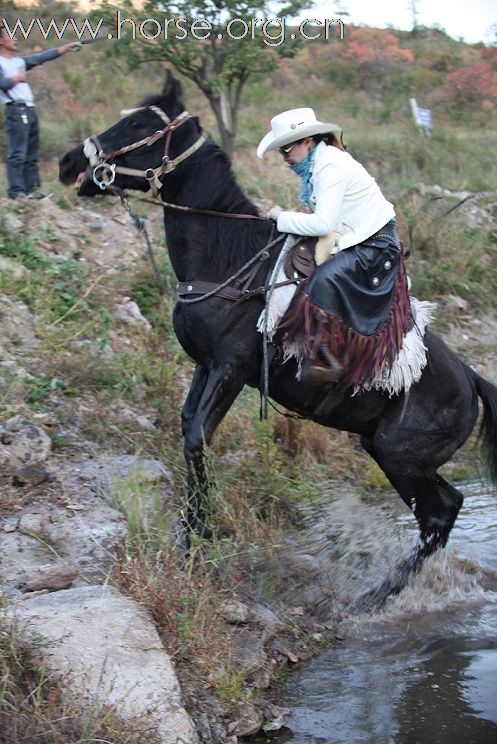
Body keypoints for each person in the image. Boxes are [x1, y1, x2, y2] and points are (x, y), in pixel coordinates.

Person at [257, 107, 410, 387]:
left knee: (323, 280)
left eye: (287, 150)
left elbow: (323, 224)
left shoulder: (330, 166)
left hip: (375, 245)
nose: (286, 159)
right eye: (282, 152)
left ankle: (325, 360)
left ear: (308, 141)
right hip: (357, 238)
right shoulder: (319, 164)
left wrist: (281, 217)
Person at [0, 22, 80, 199]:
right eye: (10, 35)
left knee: (32, 153)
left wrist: (65, 48)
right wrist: (16, 79)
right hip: (15, 110)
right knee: (17, 153)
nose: (15, 38)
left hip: (29, 110)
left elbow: (42, 57)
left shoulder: (19, 61)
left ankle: (32, 191)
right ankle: (15, 192)